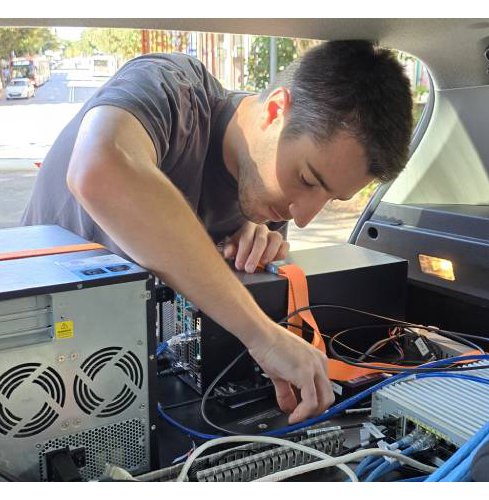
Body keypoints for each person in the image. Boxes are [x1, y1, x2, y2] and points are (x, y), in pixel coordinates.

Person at [21, 40, 413, 424]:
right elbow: (99, 170)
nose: (305, 215)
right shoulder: (170, 90)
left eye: (331, 199)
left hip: (134, 378)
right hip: (32, 366)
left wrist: (256, 264)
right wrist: (262, 335)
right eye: (309, 179)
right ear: (276, 110)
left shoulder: (268, 200)